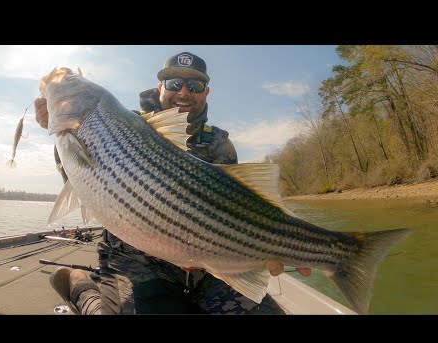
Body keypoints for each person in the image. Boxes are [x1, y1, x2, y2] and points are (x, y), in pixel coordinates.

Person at [35, 51, 311, 315]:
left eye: (194, 84)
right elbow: (82, 182)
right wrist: (60, 140)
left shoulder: (218, 143)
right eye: (174, 83)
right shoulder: (124, 123)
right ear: (160, 87)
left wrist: (281, 244)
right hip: (136, 265)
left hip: (207, 266)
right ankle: (81, 286)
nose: (183, 92)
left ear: (206, 92)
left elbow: (236, 211)